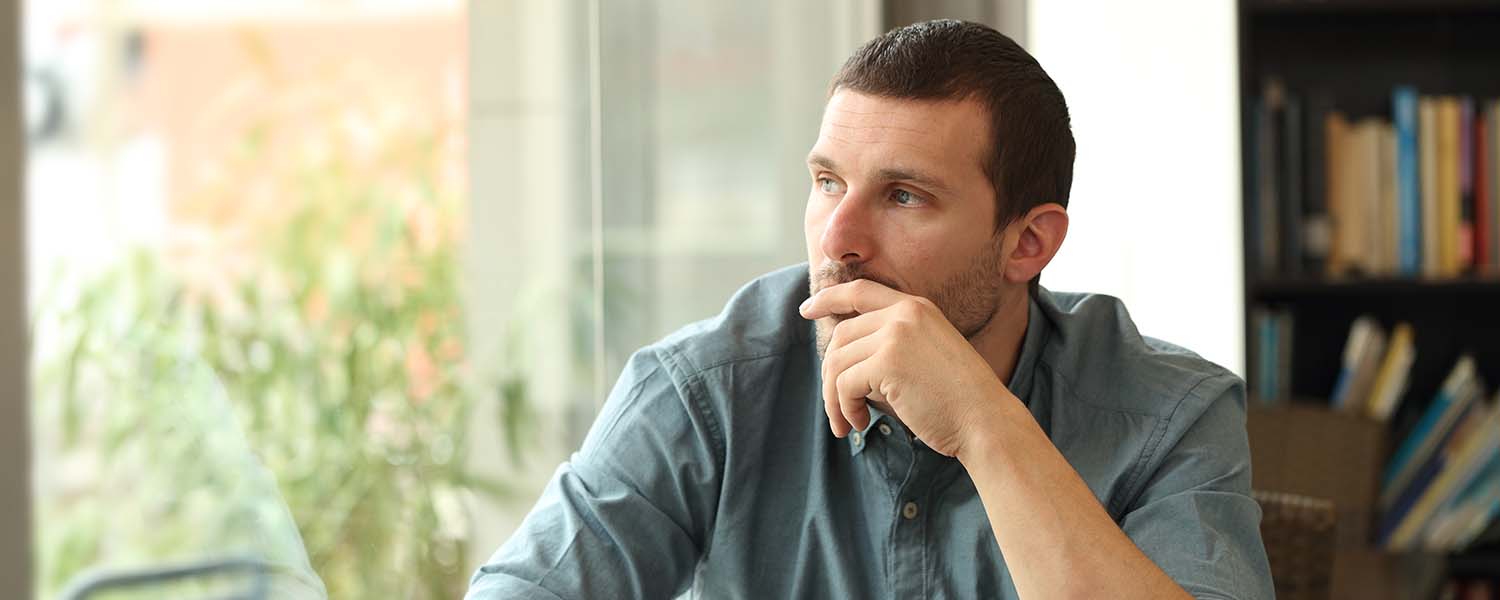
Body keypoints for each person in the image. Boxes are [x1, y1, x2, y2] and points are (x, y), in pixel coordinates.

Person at [467, 19, 1273, 600]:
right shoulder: (709, 389)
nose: (838, 240)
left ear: (1027, 244)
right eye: (826, 183)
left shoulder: (1170, 412)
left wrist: (982, 424)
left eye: (903, 195)